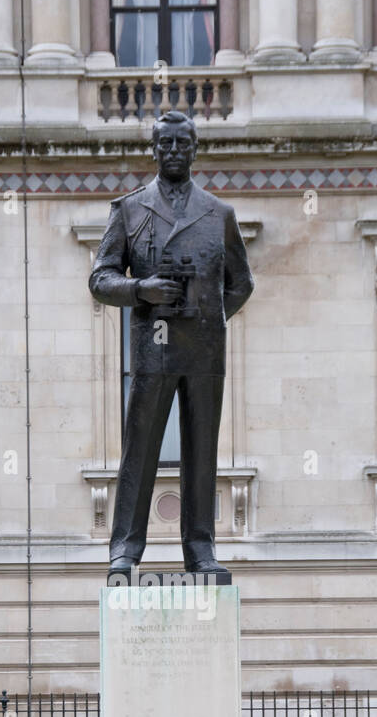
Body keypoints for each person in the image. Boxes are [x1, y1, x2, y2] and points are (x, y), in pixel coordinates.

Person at [89, 110, 254, 577]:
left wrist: (211, 317)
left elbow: (241, 283)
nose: (175, 152)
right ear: (155, 150)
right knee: (138, 450)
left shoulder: (219, 214)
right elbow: (100, 280)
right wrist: (142, 290)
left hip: (203, 351)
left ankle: (201, 549)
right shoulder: (129, 209)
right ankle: (125, 549)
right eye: (166, 145)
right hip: (152, 350)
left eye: (183, 144)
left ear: (195, 149)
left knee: (202, 452)